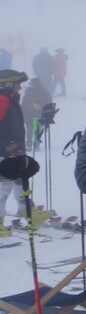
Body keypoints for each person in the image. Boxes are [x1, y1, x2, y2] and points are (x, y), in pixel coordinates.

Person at [0, 70, 26, 222]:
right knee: (4, 186)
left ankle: (27, 211)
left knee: (20, 180)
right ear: (8, 84)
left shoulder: (10, 99)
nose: (20, 87)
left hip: (14, 148)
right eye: (18, 84)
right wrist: (4, 146)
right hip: (5, 150)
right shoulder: (2, 100)